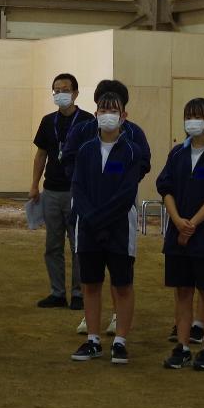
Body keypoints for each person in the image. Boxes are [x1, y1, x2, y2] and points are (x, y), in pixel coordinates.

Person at [67, 80, 150, 365]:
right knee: (90, 283)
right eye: (103, 108)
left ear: (123, 116)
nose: (108, 114)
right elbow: (78, 186)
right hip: (88, 226)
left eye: (113, 110)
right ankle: (92, 340)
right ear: (96, 113)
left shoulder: (132, 151)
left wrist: (102, 219)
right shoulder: (86, 149)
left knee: (122, 284)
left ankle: (120, 341)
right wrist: (90, 218)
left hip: (119, 227)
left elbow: (127, 192)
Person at [157, 97, 204, 371]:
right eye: (188, 115)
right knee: (182, 292)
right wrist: (178, 221)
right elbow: (165, 188)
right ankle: (183, 345)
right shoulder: (177, 154)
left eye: (197, 115)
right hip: (177, 233)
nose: (191, 120)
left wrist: (192, 224)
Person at [30, 72, 85, 311]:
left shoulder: (86, 122)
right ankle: (57, 293)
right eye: (56, 90)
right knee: (52, 245)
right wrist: (34, 184)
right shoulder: (47, 121)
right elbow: (41, 154)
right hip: (51, 190)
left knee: (78, 245)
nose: (61, 94)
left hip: (76, 191)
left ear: (75, 93)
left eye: (65, 89)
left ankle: (79, 293)